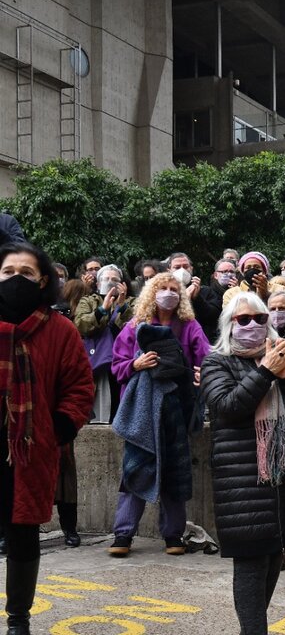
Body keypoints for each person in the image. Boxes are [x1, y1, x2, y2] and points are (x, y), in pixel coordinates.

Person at [200, 292, 285, 635]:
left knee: (273, 559)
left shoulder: (283, 358)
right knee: (252, 562)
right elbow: (227, 408)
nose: (253, 324)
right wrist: (267, 372)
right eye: (243, 319)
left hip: (283, 477)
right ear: (229, 325)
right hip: (242, 479)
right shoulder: (217, 362)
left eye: (260, 318)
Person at [0, 241, 94, 634]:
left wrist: (59, 427)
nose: (16, 279)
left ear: (43, 281)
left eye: (26, 273)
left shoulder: (60, 329)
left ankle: (18, 618)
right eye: (8, 272)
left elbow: (79, 387)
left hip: (29, 450)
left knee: (22, 534)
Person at [108, 272, 210, 557]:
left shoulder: (190, 326)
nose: (168, 293)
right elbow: (117, 367)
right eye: (162, 288)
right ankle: (123, 534)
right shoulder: (135, 326)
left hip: (176, 408)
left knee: (175, 471)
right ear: (151, 293)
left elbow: (207, 357)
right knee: (135, 468)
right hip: (142, 409)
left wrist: (205, 374)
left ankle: (173, 535)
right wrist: (136, 364)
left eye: (173, 288)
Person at [73, 264, 134, 423]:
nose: (110, 281)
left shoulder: (133, 302)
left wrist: (122, 307)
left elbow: (136, 324)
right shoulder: (88, 300)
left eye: (115, 279)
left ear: (123, 284)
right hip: (99, 362)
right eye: (105, 279)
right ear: (98, 284)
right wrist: (102, 310)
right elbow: (80, 324)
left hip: (126, 361)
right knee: (101, 406)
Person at [168, 252, 223, 344]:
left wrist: (197, 299)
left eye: (185, 267)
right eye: (177, 267)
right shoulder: (164, 293)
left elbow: (214, 317)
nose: (182, 270)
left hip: (202, 343)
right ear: (169, 270)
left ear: (191, 269)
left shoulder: (206, 291)